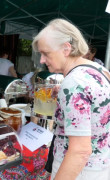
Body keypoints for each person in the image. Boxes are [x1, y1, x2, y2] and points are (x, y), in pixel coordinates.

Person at [32, 18, 110, 180]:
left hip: (78, 172)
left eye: (45, 53)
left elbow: (80, 151)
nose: (41, 60)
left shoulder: (74, 83)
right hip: (101, 166)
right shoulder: (98, 69)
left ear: (66, 49)